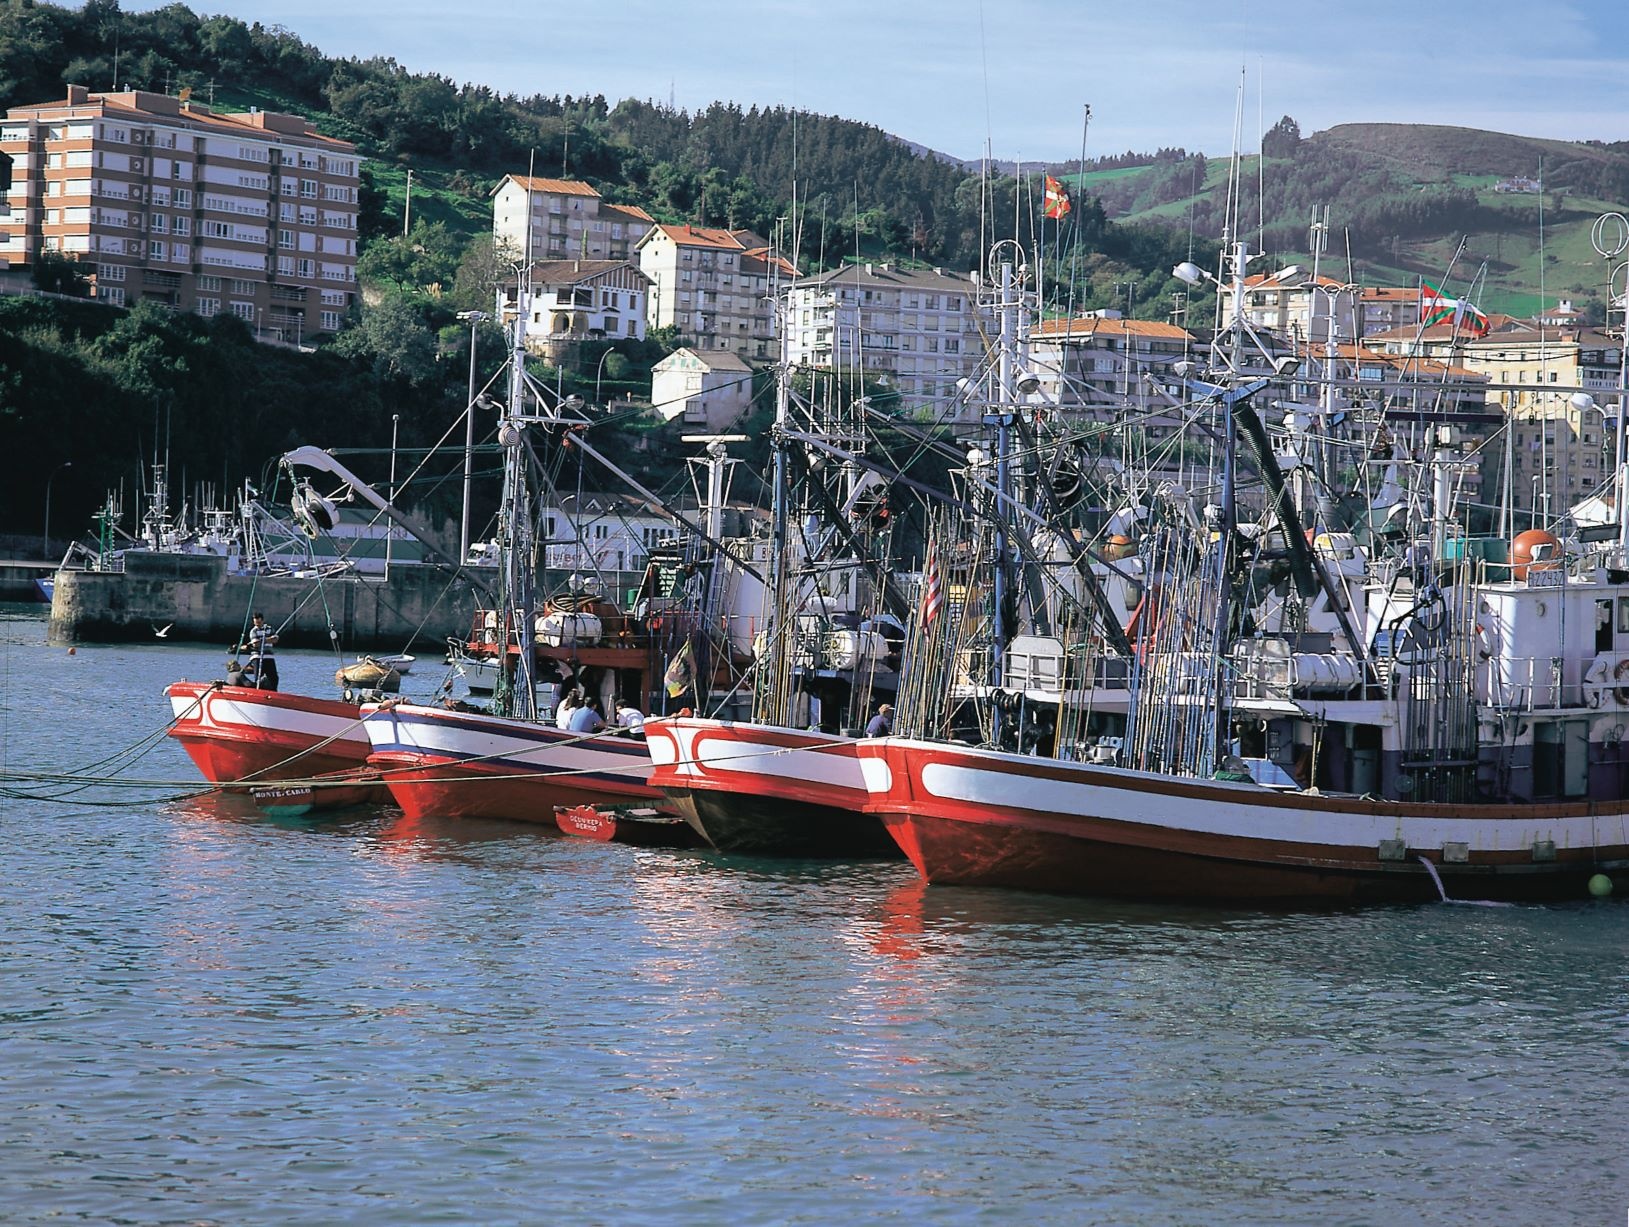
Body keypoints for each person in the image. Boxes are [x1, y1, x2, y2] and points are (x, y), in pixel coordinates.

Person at [237, 612, 279, 691]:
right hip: (257, 657)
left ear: (262, 620)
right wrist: (268, 639)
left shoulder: (269, 629)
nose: (257, 624)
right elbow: (255, 644)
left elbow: (275, 639)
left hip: (269, 656)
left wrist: (262, 640)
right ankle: (259, 691)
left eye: (259, 622)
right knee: (259, 677)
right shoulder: (253, 631)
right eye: (256, 623)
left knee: (274, 677)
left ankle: (273, 691)